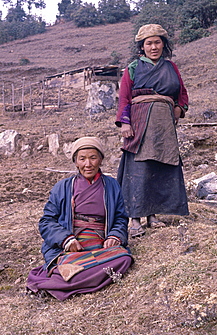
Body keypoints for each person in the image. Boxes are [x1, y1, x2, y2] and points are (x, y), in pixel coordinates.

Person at [27, 136, 133, 301]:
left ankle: (66, 279)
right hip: (72, 245)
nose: (88, 164)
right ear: (75, 162)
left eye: (93, 158)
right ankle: (72, 275)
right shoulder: (62, 188)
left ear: (101, 160)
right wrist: (66, 239)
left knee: (124, 259)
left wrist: (114, 236)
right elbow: (46, 222)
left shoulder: (112, 185)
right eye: (82, 159)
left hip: (100, 243)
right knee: (71, 264)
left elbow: (120, 218)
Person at [116, 23, 189, 238]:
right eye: (149, 43)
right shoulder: (133, 68)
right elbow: (124, 97)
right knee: (140, 168)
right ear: (142, 47)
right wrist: (125, 122)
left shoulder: (171, 67)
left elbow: (182, 93)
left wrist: (178, 108)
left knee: (160, 166)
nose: (154, 47)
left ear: (163, 44)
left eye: (157, 42)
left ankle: (153, 215)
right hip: (139, 122)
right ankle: (135, 219)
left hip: (164, 125)